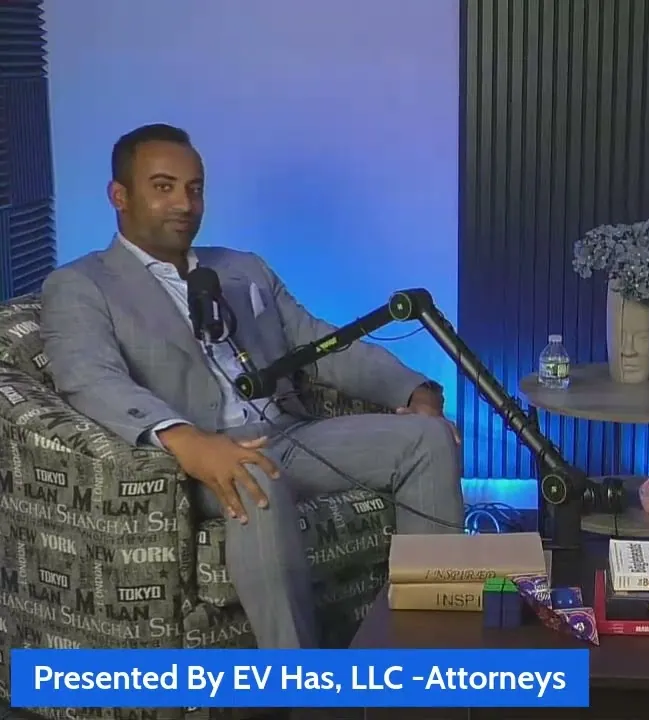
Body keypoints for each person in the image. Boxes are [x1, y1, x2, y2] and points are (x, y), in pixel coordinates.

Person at [39, 123, 466, 649]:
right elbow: (89, 376)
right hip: (199, 457)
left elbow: (320, 342)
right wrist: (188, 441)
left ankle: (431, 654)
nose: (184, 204)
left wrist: (413, 390)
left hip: (290, 434)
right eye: (163, 187)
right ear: (119, 196)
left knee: (429, 438)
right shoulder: (81, 284)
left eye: (194, 188)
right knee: (250, 476)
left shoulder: (243, 268)